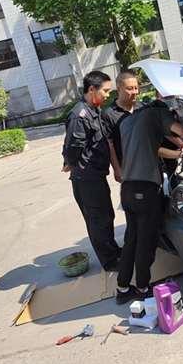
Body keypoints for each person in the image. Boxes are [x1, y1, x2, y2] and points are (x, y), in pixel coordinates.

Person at [115, 91, 183, 304]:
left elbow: (154, 149)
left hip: (127, 188)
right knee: (145, 240)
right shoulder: (159, 113)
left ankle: (122, 288)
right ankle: (143, 288)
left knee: (131, 238)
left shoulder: (129, 121)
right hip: (145, 188)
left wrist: (180, 152)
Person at [62, 71, 121, 272]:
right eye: (105, 91)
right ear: (92, 89)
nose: (107, 95)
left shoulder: (93, 111)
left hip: (96, 175)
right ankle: (110, 261)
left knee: (106, 216)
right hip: (86, 179)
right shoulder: (79, 115)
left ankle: (114, 251)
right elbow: (72, 146)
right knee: (98, 221)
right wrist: (69, 162)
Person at [101, 72, 144, 179]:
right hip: (129, 168)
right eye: (130, 89)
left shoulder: (142, 107)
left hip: (149, 163)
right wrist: (117, 169)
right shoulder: (109, 114)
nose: (134, 92)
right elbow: (109, 143)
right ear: (119, 89)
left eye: (136, 88)